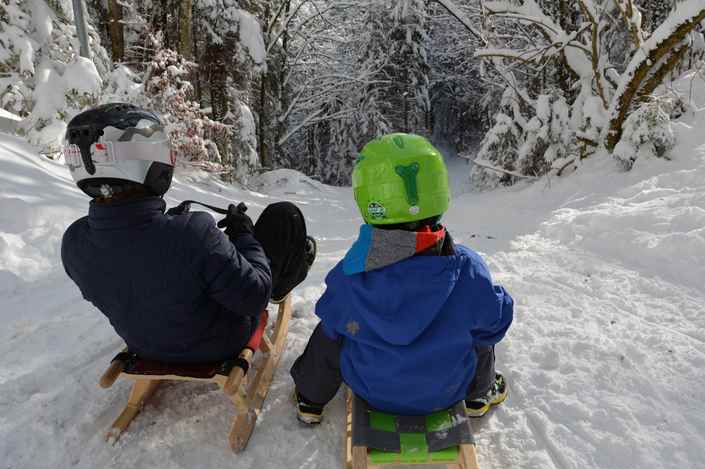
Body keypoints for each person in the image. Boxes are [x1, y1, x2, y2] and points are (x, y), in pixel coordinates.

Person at [61, 103, 315, 364]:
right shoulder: (193, 233)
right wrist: (243, 235)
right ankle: (282, 285)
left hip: (144, 346)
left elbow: (133, 268)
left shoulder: (74, 240)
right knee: (284, 216)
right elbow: (255, 298)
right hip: (220, 344)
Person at [290, 133, 513, 423]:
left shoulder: (352, 274)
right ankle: (478, 395)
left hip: (373, 391)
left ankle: (310, 398)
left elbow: (332, 322)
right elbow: (496, 323)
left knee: (334, 329)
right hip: (447, 391)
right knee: (479, 331)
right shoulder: (467, 269)